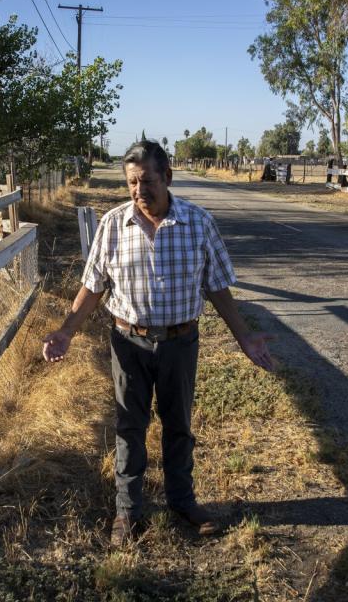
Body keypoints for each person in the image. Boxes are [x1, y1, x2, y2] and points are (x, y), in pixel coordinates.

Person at [42, 140, 279, 547]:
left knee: (178, 426)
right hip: (128, 343)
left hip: (179, 344)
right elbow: (92, 287)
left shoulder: (198, 222)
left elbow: (218, 287)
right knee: (130, 428)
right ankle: (128, 513)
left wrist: (244, 336)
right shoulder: (114, 224)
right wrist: (65, 331)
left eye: (147, 181)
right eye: (132, 182)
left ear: (166, 177)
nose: (139, 190)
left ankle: (182, 502)